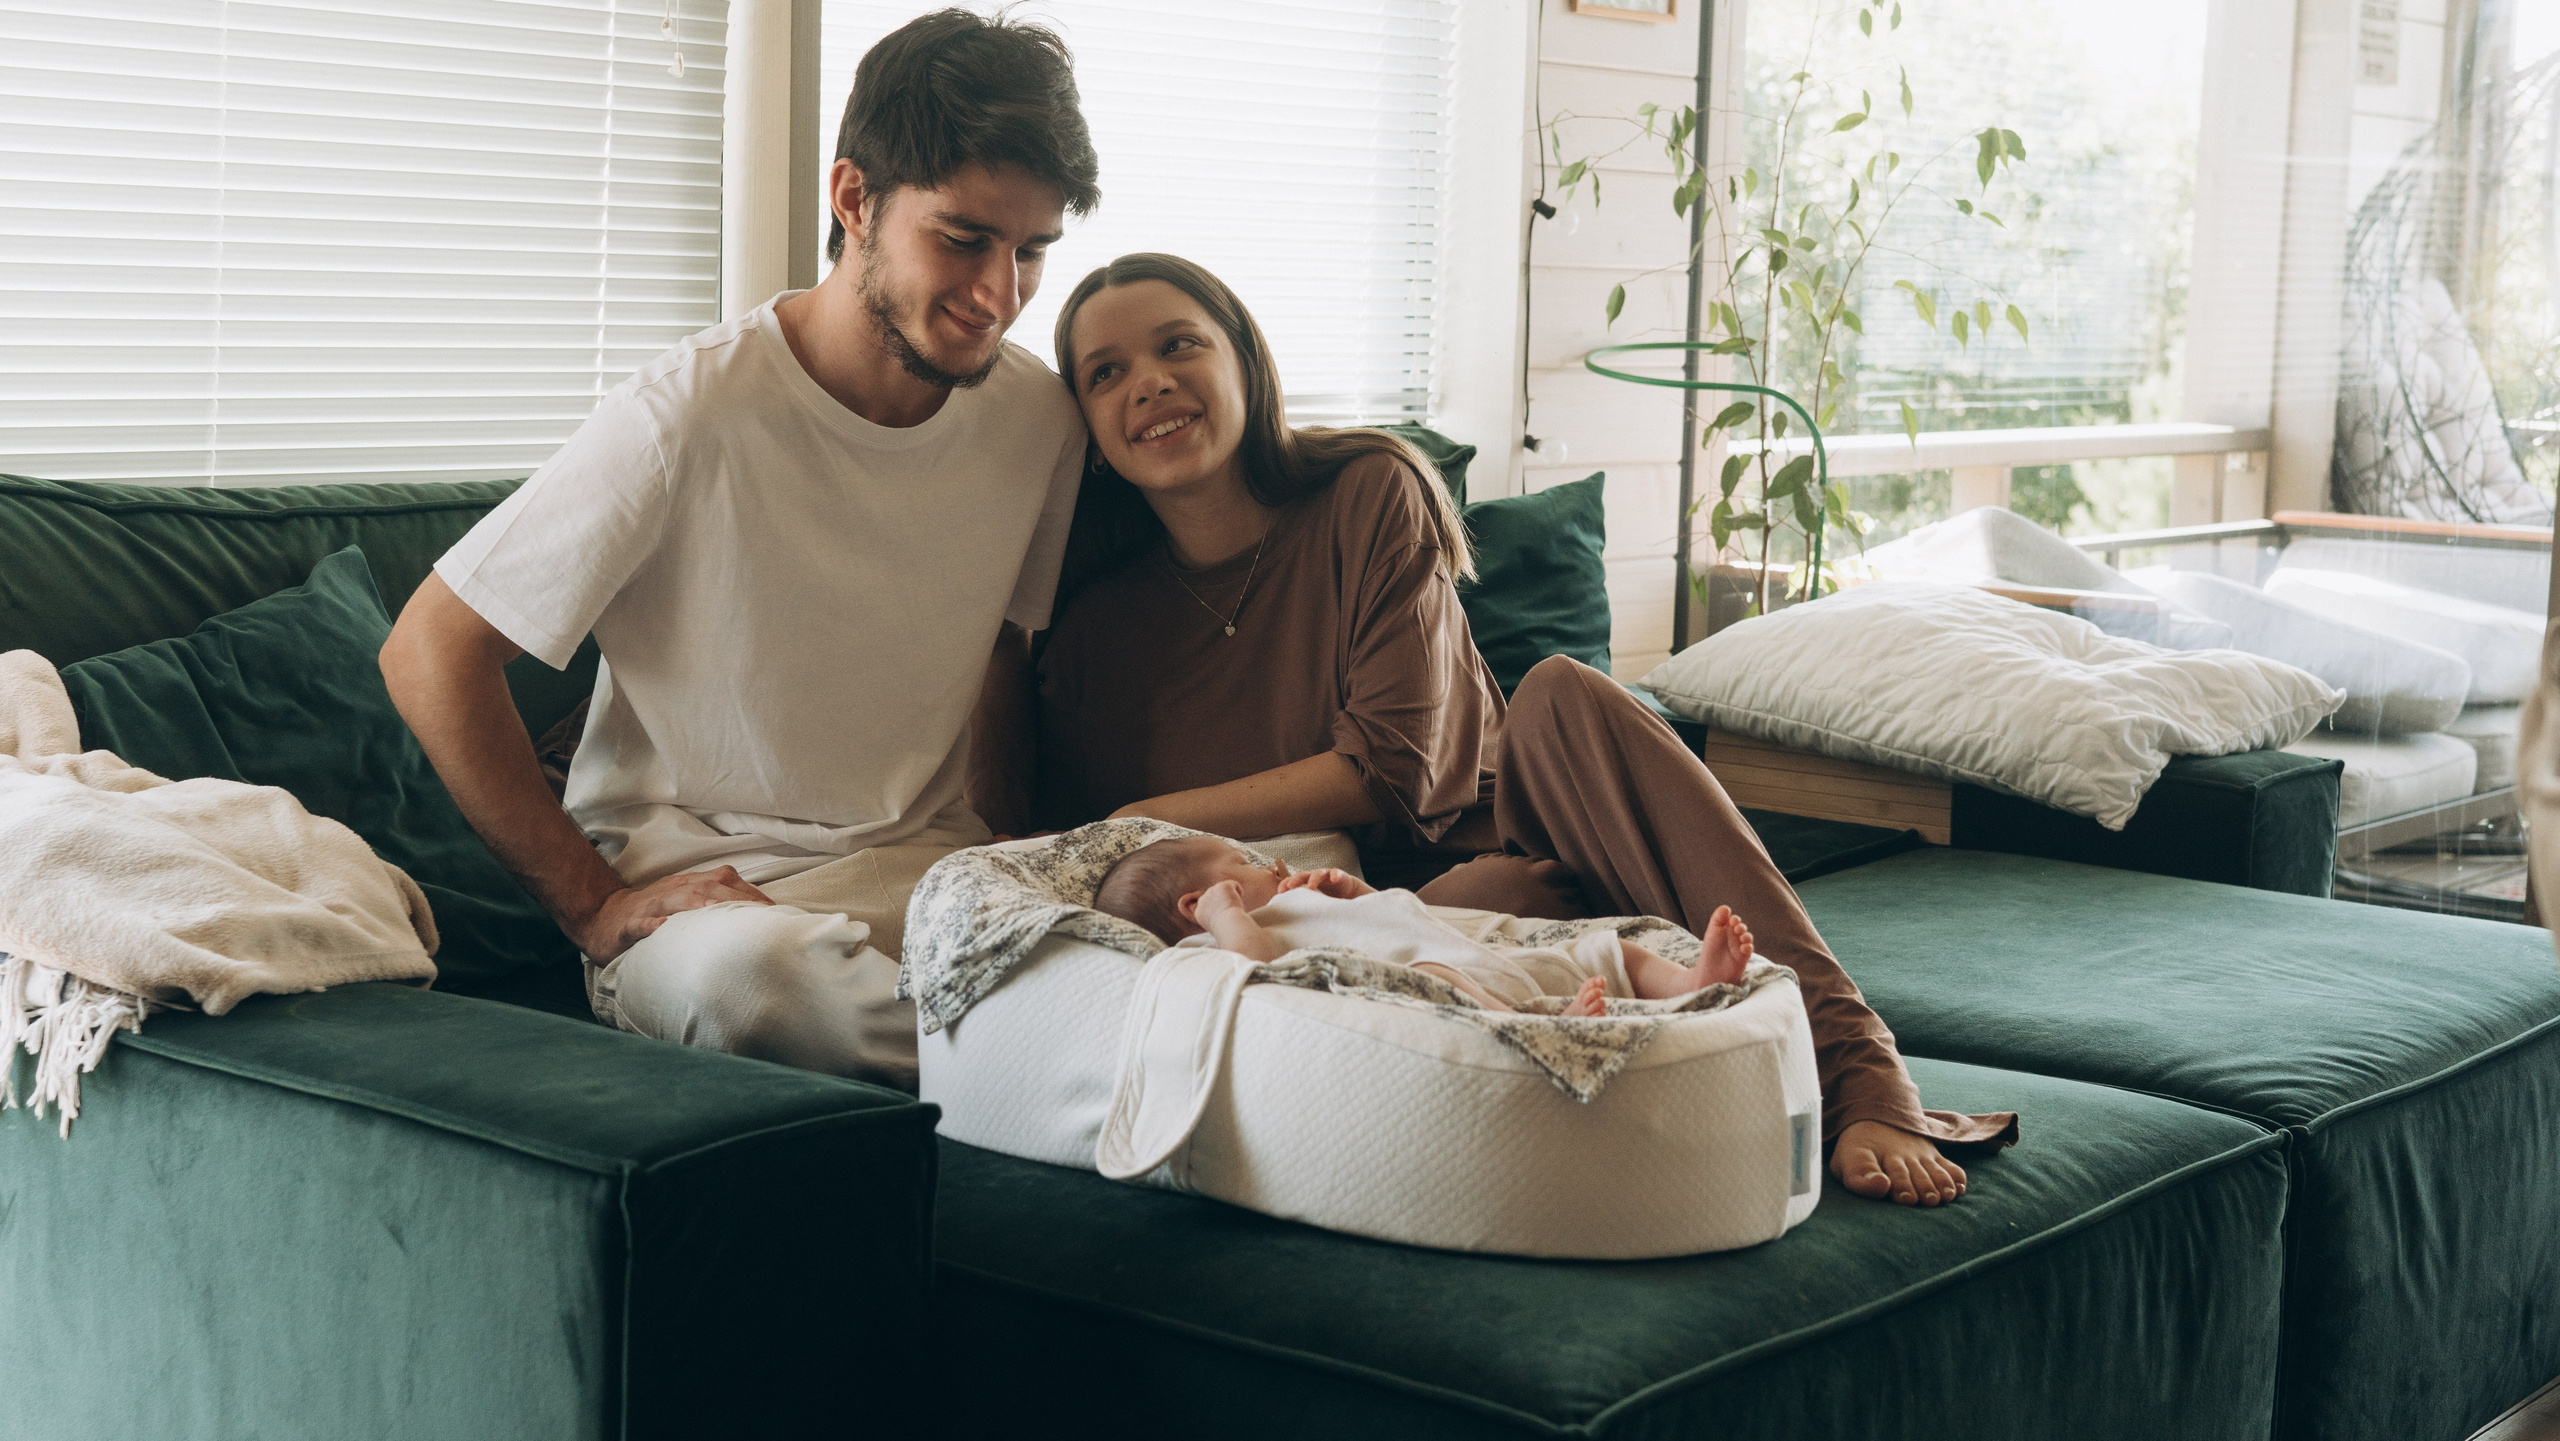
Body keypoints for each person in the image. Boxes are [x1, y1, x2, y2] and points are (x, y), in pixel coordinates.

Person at [1001, 252, 2016, 1206]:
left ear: (1244, 361)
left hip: (1515, 838)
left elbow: (1398, 765)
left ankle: (1857, 1065)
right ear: (1082, 421)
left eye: (1180, 344)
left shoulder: (1366, 491)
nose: (1149, 382)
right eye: (1105, 371)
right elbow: (1086, 862)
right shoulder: (1091, 626)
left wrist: (1148, 810)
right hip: (1377, 945)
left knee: (1568, 692)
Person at [379, 10, 1099, 1090]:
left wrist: (1012, 854)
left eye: (1030, 251)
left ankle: (1066, 1051)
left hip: (936, 884)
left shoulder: (1038, 420)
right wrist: (592, 903)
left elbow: (1000, 649)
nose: (998, 294)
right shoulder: (690, 414)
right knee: (759, 993)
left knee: (1234, 903)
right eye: (962, 239)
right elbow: (429, 651)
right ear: (853, 198)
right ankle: (1078, 1057)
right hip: (714, 912)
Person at [1093, 833, 1756, 1016]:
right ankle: (1539, 1025)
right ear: (1195, 902)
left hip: (1490, 961)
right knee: (1435, 975)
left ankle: (1688, 979)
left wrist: (1354, 891)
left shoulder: (1296, 904)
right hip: (1450, 984)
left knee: (1608, 947)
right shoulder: (1226, 935)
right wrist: (1227, 912)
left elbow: (1392, 917)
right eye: (1245, 862)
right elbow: (1254, 965)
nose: (1273, 864)